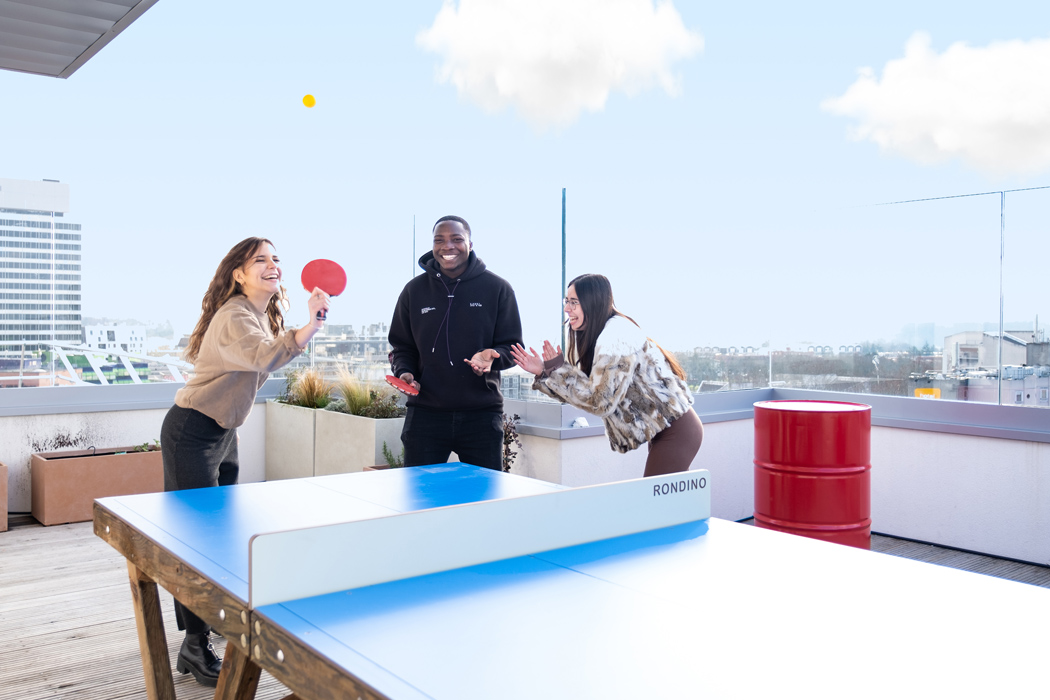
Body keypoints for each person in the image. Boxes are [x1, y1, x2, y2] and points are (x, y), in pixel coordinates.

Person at [160, 237, 328, 686]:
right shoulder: (235, 314)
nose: (273, 265)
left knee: (221, 537)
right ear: (239, 273)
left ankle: (211, 619)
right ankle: (194, 644)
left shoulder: (257, 313)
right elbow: (265, 356)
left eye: (276, 259)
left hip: (220, 431)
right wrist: (312, 324)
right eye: (260, 260)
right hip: (192, 432)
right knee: (196, 542)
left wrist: (306, 323)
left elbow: (262, 356)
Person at [510, 273, 702, 477]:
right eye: (566, 301)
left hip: (677, 430)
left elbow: (600, 402)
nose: (567, 308)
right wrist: (545, 371)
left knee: (653, 495)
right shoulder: (603, 334)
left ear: (593, 302)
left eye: (574, 302)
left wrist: (556, 371)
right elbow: (586, 393)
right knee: (671, 495)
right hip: (667, 428)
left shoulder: (616, 337)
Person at [388, 215, 523, 470]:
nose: (447, 246)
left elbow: (513, 348)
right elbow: (402, 347)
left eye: (456, 239)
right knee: (420, 491)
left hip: (481, 416)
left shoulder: (498, 288)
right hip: (425, 415)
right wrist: (404, 372)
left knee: (483, 492)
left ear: (470, 244)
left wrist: (492, 357)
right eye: (439, 240)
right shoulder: (413, 291)